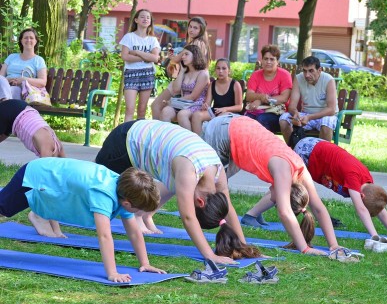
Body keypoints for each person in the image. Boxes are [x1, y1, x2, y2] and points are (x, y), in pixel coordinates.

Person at [203, 114, 359, 261]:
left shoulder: (299, 171)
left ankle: (241, 244)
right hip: (224, 130)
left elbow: (318, 207)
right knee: (210, 189)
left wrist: (334, 245)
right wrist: (304, 248)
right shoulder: (284, 172)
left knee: (219, 190)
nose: (272, 198)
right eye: (276, 199)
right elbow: (285, 212)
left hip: (239, 128)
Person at [95, 119, 250, 265]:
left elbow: (229, 209)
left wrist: (244, 247)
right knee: (100, 190)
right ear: (200, 202)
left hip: (146, 132)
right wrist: (210, 255)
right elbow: (188, 217)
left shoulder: (217, 171)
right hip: (125, 142)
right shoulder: (189, 170)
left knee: (175, 186)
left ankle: (144, 215)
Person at [0, 157, 166, 283]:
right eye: (139, 211)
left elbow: (134, 232)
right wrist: (112, 273)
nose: (139, 215)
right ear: (127, 203)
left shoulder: (126, 188)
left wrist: (145, 263)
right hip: (36, 175)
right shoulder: (104, 194)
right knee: (4, 209)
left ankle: (38, 215)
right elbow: (104, 236)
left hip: (49, 173)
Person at [288, 136, 387, 244]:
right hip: (308, 150)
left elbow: (380, 206)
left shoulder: (368, 183)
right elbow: (361, 209)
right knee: (290, 188)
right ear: (362, 197)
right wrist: (374, 236)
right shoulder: (353, 180)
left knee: (292, 189)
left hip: (318, 147)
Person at [152, 17, 211, 119]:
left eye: (195, 28)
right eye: (190, 27)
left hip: (186, 81)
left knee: (156, 105)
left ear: (201, 30)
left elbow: (177, 60)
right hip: (186, 80)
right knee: (163, 108)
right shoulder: (202, 43)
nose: (191, 30)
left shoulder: (196, 44)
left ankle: (157, 133)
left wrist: (173, 59)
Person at [279, 56, 338, 143]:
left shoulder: (328, 79)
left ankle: (322, 154)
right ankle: (294, 151)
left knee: (326, 123)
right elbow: (292, 105)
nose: (307, 75)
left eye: (311, 71)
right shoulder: (299, 78)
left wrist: (310, 117)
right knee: (284, 119)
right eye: (304, 71)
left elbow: (331, 110)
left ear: (319, 70)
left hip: (324, 115)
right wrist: (295, 114)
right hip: (306, 115)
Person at [119, 9, 161, 122]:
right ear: (136, 20)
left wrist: (137, 52)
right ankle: (125, 135)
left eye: (148, 17)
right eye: (142, 17)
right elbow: (125, 57)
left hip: (147, 74)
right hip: (131, 74)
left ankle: (138, 137)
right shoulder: (129, 37)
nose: (145, 19)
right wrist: (146, 57)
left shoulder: (153, 40)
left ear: (150, 21)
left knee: (142, 109)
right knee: (129, 109)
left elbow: (155, 58)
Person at [158, 44, 210, 134]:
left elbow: (193, 96)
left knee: (182, 114)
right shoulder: (185, 72)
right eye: (182, 54)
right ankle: (165, 140)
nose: (183, 57)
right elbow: (176, 90)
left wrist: (174, 101)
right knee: (165, 111)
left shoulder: (203, 74)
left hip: (196, 104)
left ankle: (188, 142)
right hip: (182, 104)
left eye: (186, 54)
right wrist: (181, 71)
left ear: (195, 55)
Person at [244, 44, 292, 132]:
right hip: (257, 110)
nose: (268, 62)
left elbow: (284, 98)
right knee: (245, 120)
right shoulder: (256, 75)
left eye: (272, 59)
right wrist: (260, 97)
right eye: (265, 59)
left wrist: (261, 99)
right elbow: (249, 95)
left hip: (277, 113)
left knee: (261, 119)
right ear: (262, 60)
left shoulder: (284, 75)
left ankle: (262, 145)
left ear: (277, 61)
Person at [193, 58, 243, 135]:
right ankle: (200, 141)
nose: (220, 71)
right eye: (218, 68)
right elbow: (208, 103)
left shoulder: (235, 84)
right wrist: (205, 106)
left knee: (220, 118)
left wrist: (225, 109)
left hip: (230, 113)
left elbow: (239, 107)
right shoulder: (212, 84)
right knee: (196, 115)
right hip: (216, 111)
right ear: (215, 70)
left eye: (224, 68)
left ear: (229, 71)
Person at [0, 28, 47, 99]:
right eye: (25, 38)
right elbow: (1, 77)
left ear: (36, 41)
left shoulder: (39, 60)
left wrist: (24, 80)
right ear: (21, 41)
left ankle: (5, 103)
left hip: (24, 91)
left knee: (12, 90)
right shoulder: (11, 57)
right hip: (6, 85)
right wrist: (8, 80)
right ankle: (6, 103)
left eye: (31, 38)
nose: (28, 40)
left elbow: (42, 82)